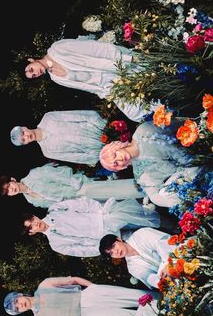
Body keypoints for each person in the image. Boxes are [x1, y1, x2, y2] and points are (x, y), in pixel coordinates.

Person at [24, 38, 159, 122]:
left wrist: (124, 59)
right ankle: (168, 112)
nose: (36, 72)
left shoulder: (57, 49)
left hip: (113, 66)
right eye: (34, 76)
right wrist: (108, 94)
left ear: (31, 60)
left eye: (31, 69)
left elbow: (93, 48)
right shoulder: (55, 78)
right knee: (134, 114)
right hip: (108, 86)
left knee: (151, 73)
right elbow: (87, 87)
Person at [3, 275, 159, 316]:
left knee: (132, 295)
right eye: (17, 309)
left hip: (88, 296)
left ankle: (166, 296)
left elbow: (72, 280)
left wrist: (93, 288)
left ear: (20, 295)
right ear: (20, 312)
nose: (20, 305)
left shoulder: (44, 285)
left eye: (17, 301)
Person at [99, 120, 200, 207]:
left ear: (116, 147)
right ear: (120, 168)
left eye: (115, 155)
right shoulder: (140, 172)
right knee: (161, 195)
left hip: (196, 142)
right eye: (116, 164)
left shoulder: (143, 132)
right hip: (192, 172)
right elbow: (155, 197)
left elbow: (179, 129)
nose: (120, 160)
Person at [20, 196, 160, 257]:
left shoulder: (54, 210)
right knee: (139, 240)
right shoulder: (55, 244)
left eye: (32, 219)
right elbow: (81, 251)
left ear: (35, 216)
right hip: (106, 240)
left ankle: (169, 222)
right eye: (31, 226)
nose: (35, 223)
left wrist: (101, 211)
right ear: (31, 232)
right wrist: (102, 248)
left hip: (105, 219)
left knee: (144, 218)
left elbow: (81, 204)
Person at [0, 163, 144, 208]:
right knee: (115, 205)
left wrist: (79, 187)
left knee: (117, 190)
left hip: (80, 188)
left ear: (13, 179)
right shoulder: (30, 200)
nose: (11, 190)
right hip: (78, 203)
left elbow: (61, 174)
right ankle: (146, 202)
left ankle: (146, 189)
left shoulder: (33, 175)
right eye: (8, 192)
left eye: (9, 185)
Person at [10, 110, 106, 165]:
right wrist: (101, 154)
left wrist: (103, 126)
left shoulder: (48, 118)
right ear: (25, 144)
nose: (27, 136)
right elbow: (77, 157)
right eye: (23, 140)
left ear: (24, 127)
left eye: (23, 133)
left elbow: (77, 116)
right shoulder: (47, 152)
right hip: (99, 148)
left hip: (101, 128)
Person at [99, 227, 175, 289]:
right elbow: (150, 279)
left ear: (119, 239)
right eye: (111, 253)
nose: (116, 251)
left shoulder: (141, 234)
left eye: (113, 246)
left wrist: (167, 265)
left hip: (179, 253)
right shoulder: (132, 268)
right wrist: (162, 281)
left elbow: (163, 244)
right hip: (173, 277)